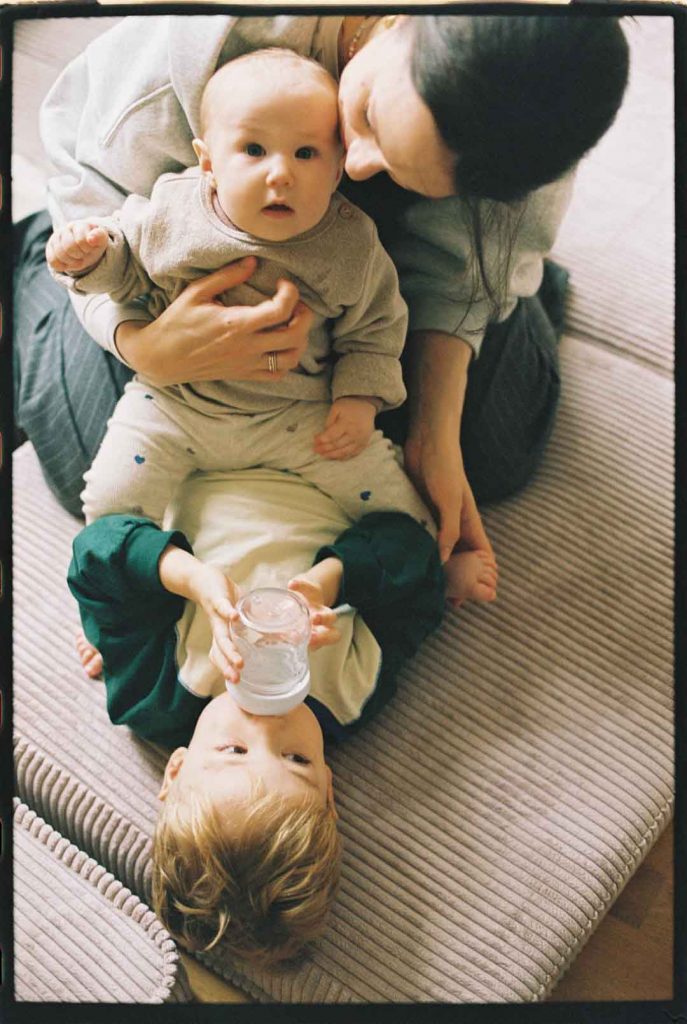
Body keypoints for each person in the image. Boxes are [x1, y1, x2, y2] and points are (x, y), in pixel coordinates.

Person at [14, 14, 629, 569]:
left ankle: (518, 286)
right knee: (85, 470)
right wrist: (142, 346)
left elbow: (468, 261)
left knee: (489, 456)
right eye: (365, 120)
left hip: (361, 283)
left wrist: (433, 430)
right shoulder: (194, 52)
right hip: (146, 242)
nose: (355, 168)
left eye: (400, 170)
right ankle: (28, 256)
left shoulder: (544, 98)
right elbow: (92, 187)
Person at [67, 462, 446, 964]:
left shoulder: (154, 693)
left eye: (233, 750)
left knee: (79, 473)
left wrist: (188, 579)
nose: (271, 725)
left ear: (176, 769)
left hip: (194, 450)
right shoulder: (351, 690)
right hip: (329, 468)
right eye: (297, 760)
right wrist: (332, 580)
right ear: (329, 789)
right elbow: (414, 558)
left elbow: (96, 552)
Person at [45, 52, 431, 539]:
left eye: (305, 154)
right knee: (105, 498)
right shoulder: (172, 212)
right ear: (207, 162)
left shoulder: (351, 244)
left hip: (297, 412)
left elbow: (376, 329)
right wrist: (90, 256)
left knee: (394, 501)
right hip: (174, 403)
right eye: (253, 149)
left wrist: (359, 401)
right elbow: (127, 275)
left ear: (338, 170)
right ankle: (139, 572)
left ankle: (431, 558)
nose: (280, 174)